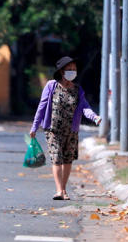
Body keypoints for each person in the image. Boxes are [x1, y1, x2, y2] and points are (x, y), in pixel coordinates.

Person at [30, 56, 101, 200]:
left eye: (74, 69)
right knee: (56, 158)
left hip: (71, 131)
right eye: (69, 69)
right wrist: (35, 126)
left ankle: (64, 189)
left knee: (67, 160)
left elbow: (85, 108)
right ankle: (58, 190)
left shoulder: (77, 90)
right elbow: (42, 107)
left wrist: (95, 117)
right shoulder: (51, 86)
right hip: (53, 130)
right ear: (62, 71)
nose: (72, 72)